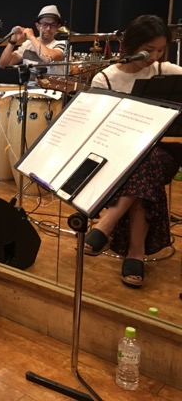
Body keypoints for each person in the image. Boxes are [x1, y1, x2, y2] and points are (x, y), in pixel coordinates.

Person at [86, 14, 182, 288]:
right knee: (142, 172)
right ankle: (135, 254)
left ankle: (105, 225)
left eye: (161, 50)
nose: (155, 57)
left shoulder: (166, 71)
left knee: (146, 162)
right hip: (117, 156)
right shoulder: (105, 79)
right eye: (149, 49)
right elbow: (95, 131)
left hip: (163, 153)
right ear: (131, 45)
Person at [0, 5, 68, 168]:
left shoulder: (61, 44)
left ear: (58, 27)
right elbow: (3, 63)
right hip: (28, 94)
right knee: (1, 103)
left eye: (52, 25)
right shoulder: (27, 46)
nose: (48, 29)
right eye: (45, 24)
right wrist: (12, 42)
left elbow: (48, 58)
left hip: (51, 96)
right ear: (38, 25)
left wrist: (31, 36)